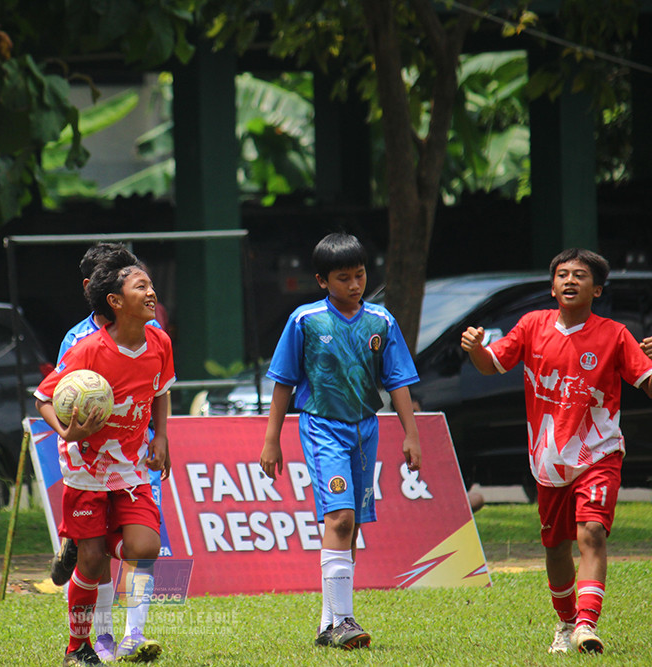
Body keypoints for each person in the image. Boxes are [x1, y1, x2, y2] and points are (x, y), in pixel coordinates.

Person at [461, 248, 652, 655]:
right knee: (555, 547)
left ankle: (586, 624)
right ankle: (565, 623)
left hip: (599, 454)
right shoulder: (532, 325)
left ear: (596, 289)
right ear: (552, 287)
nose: (570, 281)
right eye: (563, 274)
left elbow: (648, 383)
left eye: (580, 275)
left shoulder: (615, 335)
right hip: (549, 461)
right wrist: (476, 348)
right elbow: (491, 364)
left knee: (592, 532)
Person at [259, 233, 421, 650]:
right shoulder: (306, 320)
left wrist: (411, 434)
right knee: (341, 519)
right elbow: (283, 381)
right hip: (322, 427)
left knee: (352, 526)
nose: (354, 284)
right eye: (343, 277)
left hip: (366, 429)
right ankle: (344, 620)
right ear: (322, 281)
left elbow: (398, 380)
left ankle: (329, 622)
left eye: (360, 275)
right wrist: (272, 438)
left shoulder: (381, 321)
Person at [34, 256, 174, 667]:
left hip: (131, 465)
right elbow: (43, 398)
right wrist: (66, 432)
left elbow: (161, 390)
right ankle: (77, 647)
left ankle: (129, 632)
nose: (151, 292)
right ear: (115, 301)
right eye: (140, 287)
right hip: (86, 466)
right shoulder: (89, 349)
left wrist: (161, 436)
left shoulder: (160, 342)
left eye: (151, 285)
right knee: (93, 562)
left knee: (145, 546)